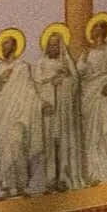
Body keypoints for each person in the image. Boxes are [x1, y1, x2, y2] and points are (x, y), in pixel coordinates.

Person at [0, 29, 40, 196]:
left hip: (18, 116)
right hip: (1, 115)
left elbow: (30, 90)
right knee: (3, 150)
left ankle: (21, 185)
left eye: (7, 43)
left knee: (17, 146)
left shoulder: (22, 67)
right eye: (2, 44)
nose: (4, 47)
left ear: (14, 46)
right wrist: (0, 80)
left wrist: (40, 104)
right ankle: (7, 187)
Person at [34, 24, 83, 193]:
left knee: (63, 142)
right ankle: (50, 179)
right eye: (51, 44)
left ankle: (63, 177)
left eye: (56, 45)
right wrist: (44, 100)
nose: (53, 47)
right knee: (49, 144)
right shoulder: (41, 63)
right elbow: (36, 86)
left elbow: (75, 83)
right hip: (48, 109)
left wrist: (64, 80)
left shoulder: (66, 63)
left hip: (63, 110)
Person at [79, 11, 107, 183]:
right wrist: (83, 59)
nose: (97, 30)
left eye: (100, 27)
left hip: (104, 92)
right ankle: (94, 173)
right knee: (92, 134)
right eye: (95, 28)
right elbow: (80, 72)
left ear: (105, 31)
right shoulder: (87, 52)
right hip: (90, 93)